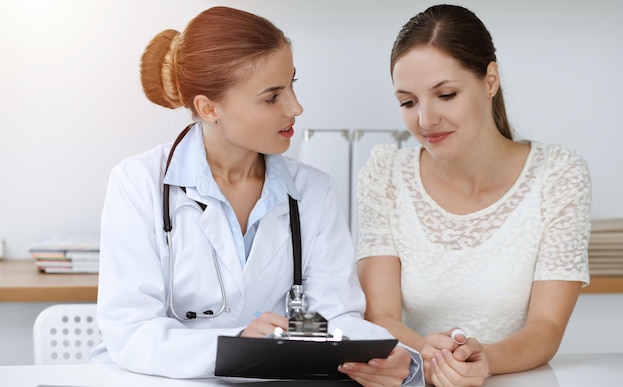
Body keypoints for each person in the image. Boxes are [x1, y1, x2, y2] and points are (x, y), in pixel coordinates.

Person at [85, 6, 424, 386]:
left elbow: (338, 317)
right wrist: (237, 345)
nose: (296, 107)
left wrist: (395, 359)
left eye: (292, 85)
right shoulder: (138, 183)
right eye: (271, 97)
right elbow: (132, 332)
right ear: (208, 108)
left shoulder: (313, 191)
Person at [356, 4, 591, 387]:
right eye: (408, 102)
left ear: (490, 81)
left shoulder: (559, 174)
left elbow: (546, 327)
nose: (425, 120)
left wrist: (482, 361)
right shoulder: (385, 174)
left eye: (445, 94)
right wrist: (429, 359)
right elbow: (380, 316)